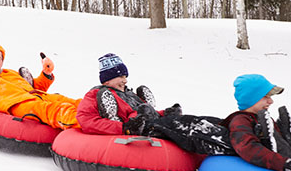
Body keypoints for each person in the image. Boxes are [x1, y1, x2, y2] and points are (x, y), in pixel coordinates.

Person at [77, 53, 234, 155]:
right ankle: (229, 142)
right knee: (184, 128)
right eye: (121, 77)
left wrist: (165, 113)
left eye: (125, 76)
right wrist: (124, 128)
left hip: (150, 121)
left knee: (189, 120)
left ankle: (230, 126)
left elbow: (140, 111)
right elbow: (85, 120)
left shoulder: (128, 93)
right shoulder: (95, 94)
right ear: (106, 79)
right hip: (140, 128)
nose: (125, 80)